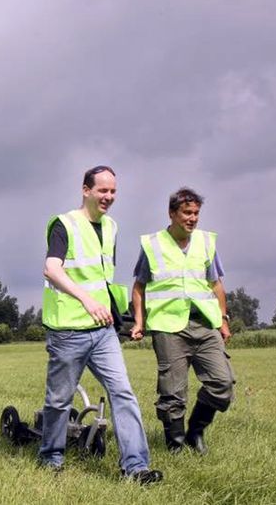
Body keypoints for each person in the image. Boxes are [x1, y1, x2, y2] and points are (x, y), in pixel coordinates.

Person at [39, 165, 162, 484]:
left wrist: (123, 317)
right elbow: (52, 268)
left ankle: (135, 468)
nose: (108, 197)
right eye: (102, 190)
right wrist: (86, 300)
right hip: (68, 330)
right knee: (58, 401)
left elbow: (103, 279)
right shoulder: (64, 224)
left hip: (103, 331)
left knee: (123, 392)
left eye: (113, 191)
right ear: (86, 190)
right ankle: (51, 457)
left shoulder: (111, 228)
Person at [131, 187, 234, 456]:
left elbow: (216, 284)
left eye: (196, 213)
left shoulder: (205, 243)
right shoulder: (153, 245)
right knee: (172, 393)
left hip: (204, 324)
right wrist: (139, 322)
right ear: (172, 213)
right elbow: (139, 287)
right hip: (168, 327)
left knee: (222, 384)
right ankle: (175, 445)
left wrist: (223, 319)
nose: (192, 218)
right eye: (187, 213)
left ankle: (195, 432)